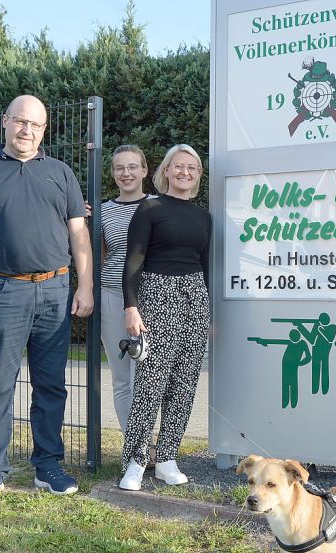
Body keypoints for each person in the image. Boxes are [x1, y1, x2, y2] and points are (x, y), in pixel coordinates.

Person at [0, 94, 93, 499]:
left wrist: (84, 285)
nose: (26, 130)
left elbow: (79, 233)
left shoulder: (61, 173)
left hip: (55, 290)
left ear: (44, 130)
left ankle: (48, 466)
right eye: (20, 121)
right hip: (2, 290)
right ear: (5, 122)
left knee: (51, 385)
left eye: (35, 124)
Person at [118, 144, 211, 490]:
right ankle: (136, 460)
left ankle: (167, 457)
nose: (185, 172)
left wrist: (209, 315)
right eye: (179, 166)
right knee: (150, 383)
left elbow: (206, 265)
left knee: (185, 382)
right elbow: (134, 260)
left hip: (195, 297)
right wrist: (131, 306)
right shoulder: (150, 207)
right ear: (166, 171)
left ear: (199, 176)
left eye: (193, 168)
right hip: (157, 294)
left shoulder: (204, 217)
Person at [98, 145, 153, 433]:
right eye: (120, 168)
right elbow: (101, 255)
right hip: (111, 296)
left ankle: (147, 443)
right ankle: (134, 447)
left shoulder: (159, 205)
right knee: (122, 378)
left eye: (133, 166)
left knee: (144, 377)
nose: (126, 173)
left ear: (144, 170)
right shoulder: (103, 212)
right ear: (113, 174)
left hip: (151, 298)